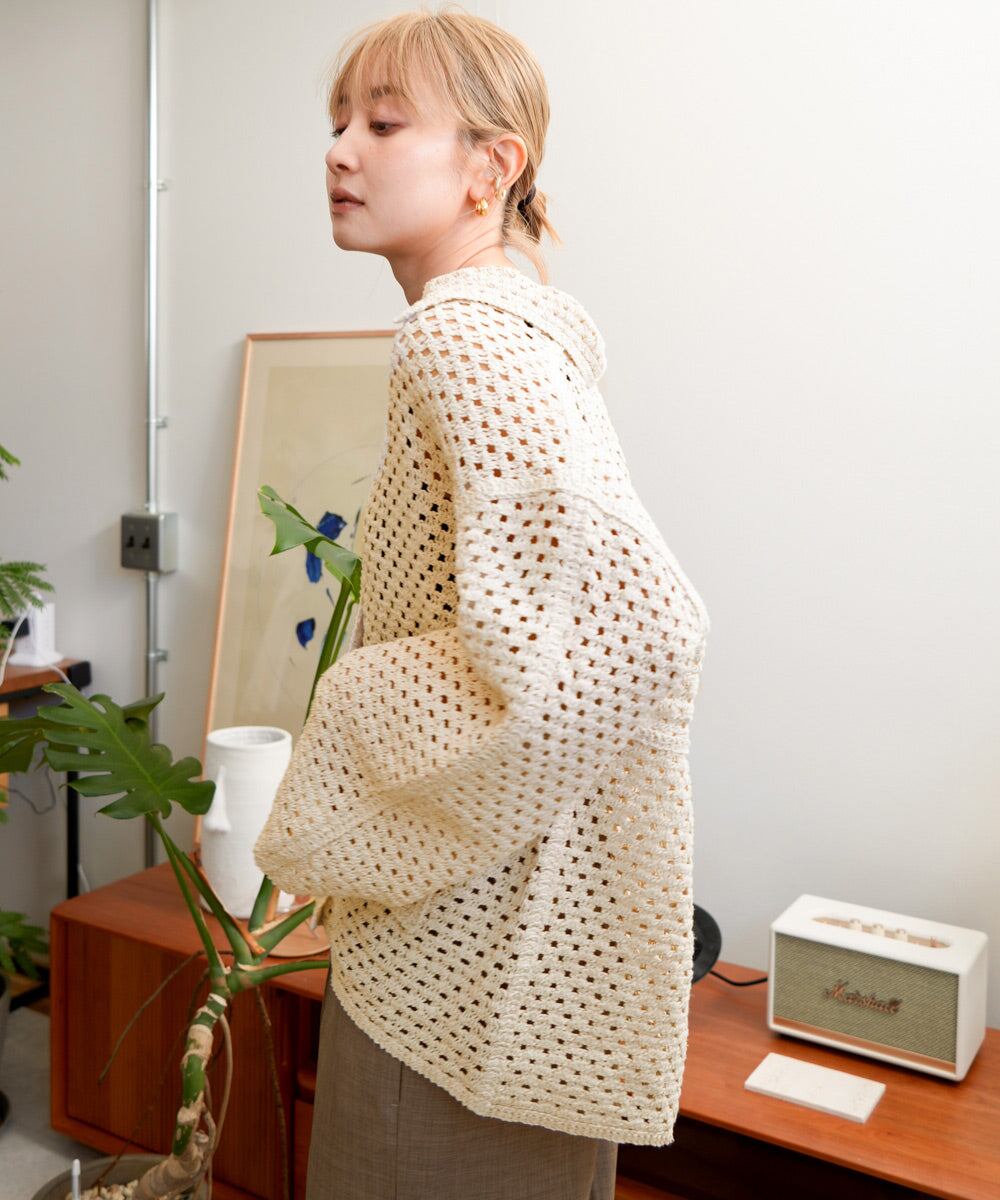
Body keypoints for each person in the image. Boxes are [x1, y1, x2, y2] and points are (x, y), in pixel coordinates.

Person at [254, 5, 711, 1197]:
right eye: (337, 123)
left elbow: (634, 632)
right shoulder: (508, 332)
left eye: (383, 124)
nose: (338, 150)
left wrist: (356, 707)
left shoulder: (460, 339)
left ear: (490, 165)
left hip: (453, 968)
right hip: (507, 943)